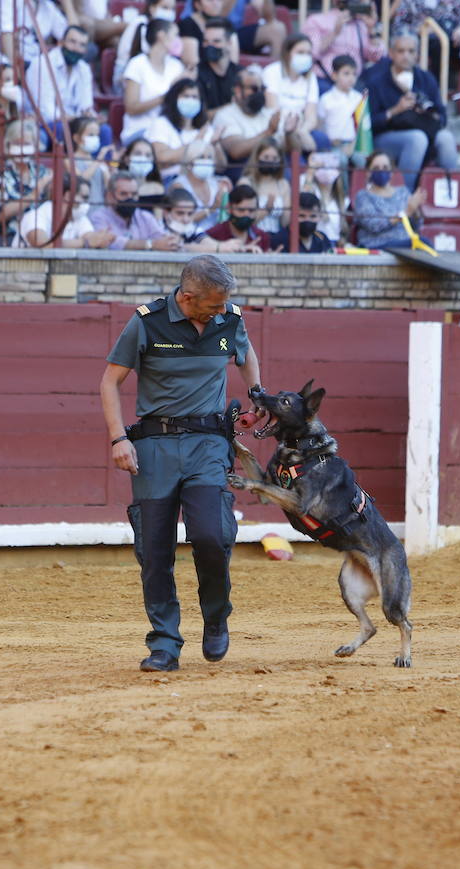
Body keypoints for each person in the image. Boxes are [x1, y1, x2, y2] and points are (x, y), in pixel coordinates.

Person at [100, 255, 263, 672]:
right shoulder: (146, 322)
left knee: (211, 534)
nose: (221, 310)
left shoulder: (229, 319)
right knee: (154, 551)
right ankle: (165, 643)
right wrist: (119, 438)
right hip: (155, 447)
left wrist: (257, 395)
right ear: (187, 298)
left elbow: (244, 355)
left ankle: (215, 615)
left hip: (209, 443)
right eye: (213, 303)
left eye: (225, 302)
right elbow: (109, 382)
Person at [363, 32, 457, 190]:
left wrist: (426, 112)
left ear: (417, 55)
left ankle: (450, 192)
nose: (406, 56)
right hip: (385, 138)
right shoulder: (377, 80)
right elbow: (368, 124)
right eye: (401, 51)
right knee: (416, 139)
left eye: (411, 51)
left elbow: (442, 117)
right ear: (391, 53)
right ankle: (405, 197)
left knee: (446, 138)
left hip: (424, 132)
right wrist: (395, 110)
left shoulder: (426, 79)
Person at [0, 118, 50, 244]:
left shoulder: (43, 172)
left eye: (26, 144)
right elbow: (1, 215)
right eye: (17, 144)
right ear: (8, 145)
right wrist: (33, 194)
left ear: (35, 145)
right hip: (7, 236)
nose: (22, 149)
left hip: (40, 234)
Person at [26, 24, 97, 141]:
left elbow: (85, 105)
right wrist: (76, 118)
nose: (76, 48)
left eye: (82, 45)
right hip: (42, 123)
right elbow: (46, 112)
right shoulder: (43, 64)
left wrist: (90, 115)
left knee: (103, 130)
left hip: (73, 122)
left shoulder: (84, 69)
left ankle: (94, 160)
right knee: (61, 128)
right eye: (72, 42)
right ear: (61, 42)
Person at [121, 18, 185, 144]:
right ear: (161, 36)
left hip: (170, 132)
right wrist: (167, 96)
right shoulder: (137, 64)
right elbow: (131, 108)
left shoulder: (177, 66)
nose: (179, 40)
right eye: (175, 35)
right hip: (140, 133)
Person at [261, 33, 326, 152]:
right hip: (276, 128)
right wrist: (291, 131)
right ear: (287, 53)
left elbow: (311, 115)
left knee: (322, 140)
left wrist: (303, 131)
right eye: (300, 52)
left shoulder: (311, 78)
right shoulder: (271, 71)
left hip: (299, 128)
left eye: (308, 53)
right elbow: (273, 109)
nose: (305, 57)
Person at [148, 78, 220, 183]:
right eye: (186, 96)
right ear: (174, 99)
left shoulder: (206, 128)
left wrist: (215, 145)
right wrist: (196, 143)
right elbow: (161, 160)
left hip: (205, 181)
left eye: (195, 97)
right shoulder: (161, 124)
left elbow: (221, 166)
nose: (190, 100)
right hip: (172, 180)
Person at [91, 169, 183, 250]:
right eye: (123, 194)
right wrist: (151, 244)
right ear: (109, 196)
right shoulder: (99, 217)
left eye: (134, 194)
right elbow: (110, 242)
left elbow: (162, 239)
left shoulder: (145, 216)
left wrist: (172, 241)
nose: (130, 199)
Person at [212, 68, 280, 178]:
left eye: (262, 88)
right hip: (243, 175)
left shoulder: (269, 113)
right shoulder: (225, 115)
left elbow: (283, 145)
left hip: (272, 170)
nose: (259, 93)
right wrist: (269, 132)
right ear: (238, 91)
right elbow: (236, 151)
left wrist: (290, 133)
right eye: (254, 88)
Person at [18, 175, 116, 247]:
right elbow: (43, 244)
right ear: (68, 196)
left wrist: (100, 238)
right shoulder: (35, 216)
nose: (86, 203)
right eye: (84, 197)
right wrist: (84, 243)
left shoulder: (79, 217)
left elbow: (90, 237)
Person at [354, 149, 424, 249]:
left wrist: (414, 211)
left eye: (385, 167)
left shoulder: (403, 192)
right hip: (377, 245)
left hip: (405, 244)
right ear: (368, 172)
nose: (381, 171)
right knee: (423, 243)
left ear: (391, 172)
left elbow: (416, 226)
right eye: (376, 168)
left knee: (425, 244)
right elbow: (374, 225)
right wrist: (404, 213)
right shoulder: (363, 196)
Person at [303, 0, 382, 78]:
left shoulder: (362, 24)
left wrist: (371, 29)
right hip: (325, 80)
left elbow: (378, 57)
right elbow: (310, 53)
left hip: (354, 82)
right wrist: (334, 33)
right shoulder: (317, 20)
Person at [115, 0, 176, 87]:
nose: (169, 12)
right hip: (126, 73)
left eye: (172, 9)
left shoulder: (171, 28)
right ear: (152, 8)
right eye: (165, 7)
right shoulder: (140, 23)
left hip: (155, 71)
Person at [237, 137, 289, 233]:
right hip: (252, 236)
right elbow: (243, 220)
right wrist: (266, 209)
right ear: (257, 158)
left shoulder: (283, 184)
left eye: (275, 158)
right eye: (266, 157)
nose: (270, 161)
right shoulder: (246, 182)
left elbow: (285, 223)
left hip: (276, 238)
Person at [170, 150, 230, 231]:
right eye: (201, 157)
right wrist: (212, 208)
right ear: (190, 163)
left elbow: (227, 214)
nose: (206, 161)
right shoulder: (179, 185)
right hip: (191, 234)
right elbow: (184, 220)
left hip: (216, 233)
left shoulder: (217, 183)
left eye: (209, 157)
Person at [318, 54, 362, 161]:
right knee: (340, 160)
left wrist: (353, 145)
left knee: (361, 160)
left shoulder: (359, 98)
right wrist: (329, 141)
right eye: (346, 74)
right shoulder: (326, 99)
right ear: (334, 75)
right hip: (332, 146)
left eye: (354, 74)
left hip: (354, 145)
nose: (351, 78)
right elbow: (319, 125)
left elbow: (361, 125)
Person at [203, 182, 272, 250]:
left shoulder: (262, 237)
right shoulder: (212, 235)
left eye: (251, 210)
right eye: (241, 210)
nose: (246, 214)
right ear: (228, 208)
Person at [195, 17, 241, 116]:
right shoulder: (196, 74)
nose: (210, 46)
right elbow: (200, 117)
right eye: (206, 41)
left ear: (229, 43)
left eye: (216, 41)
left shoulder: (240, 74)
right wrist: (233, 107)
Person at [267, 190, 333, 252]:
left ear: (320, 217)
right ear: (292, 215)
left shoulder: (322, 239)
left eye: (313, 216)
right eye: (302, 216)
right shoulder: (279, 239)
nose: (307, 220)